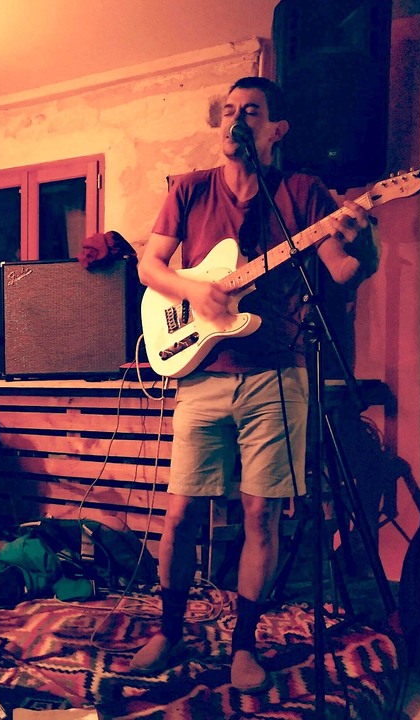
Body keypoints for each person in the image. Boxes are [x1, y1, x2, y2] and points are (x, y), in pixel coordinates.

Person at [129, 77, 376, 692]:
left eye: (252, 112)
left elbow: (341, 271)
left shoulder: (303, 193)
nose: (236, 120)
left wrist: (364, 245)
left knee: (261, 514)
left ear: (276, 129)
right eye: (229, 111)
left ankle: (243, 645)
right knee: (181, 513)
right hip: (202, 372)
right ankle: (168, 630)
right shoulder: (190, 188)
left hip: (278, 375)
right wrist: (195, 291)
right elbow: (149, 266)